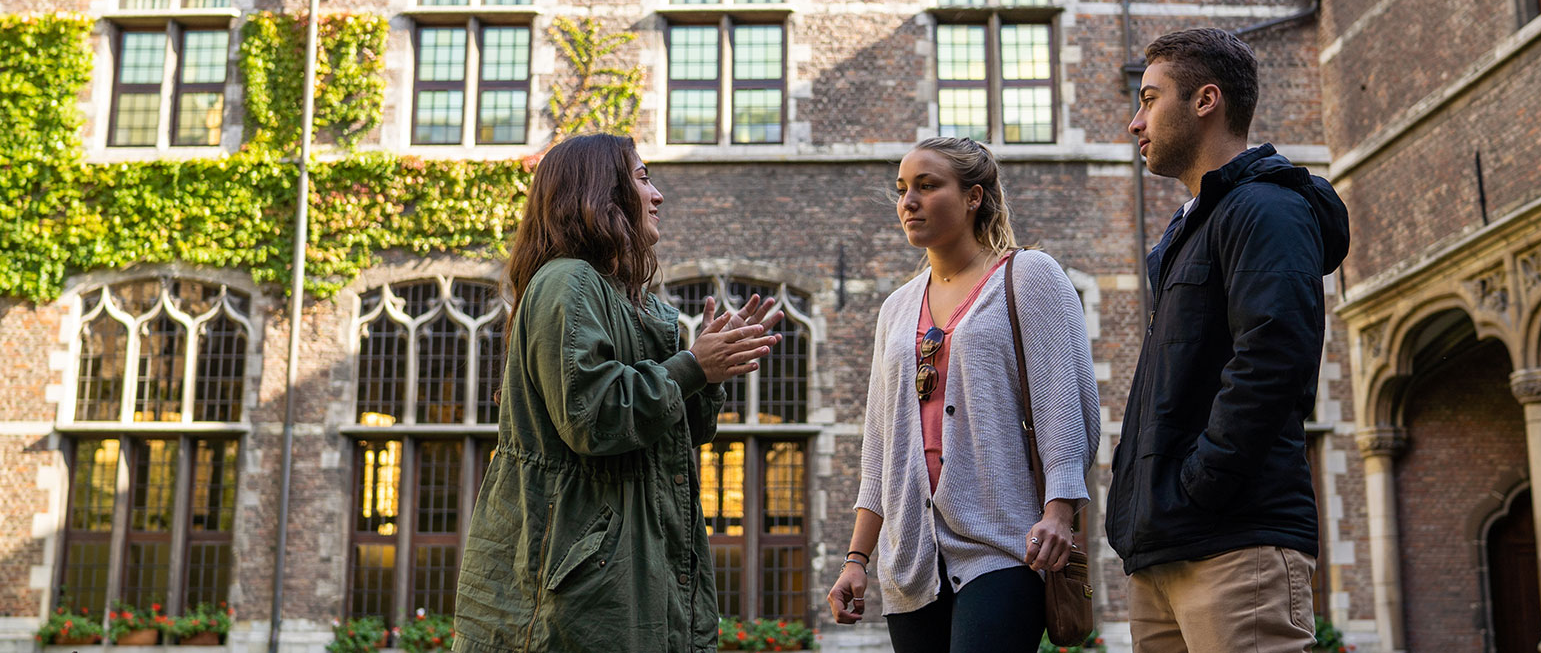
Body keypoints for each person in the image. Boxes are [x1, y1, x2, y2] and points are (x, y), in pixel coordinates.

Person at [452, 133, 783, 652]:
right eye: (643, 177)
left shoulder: (635, 304)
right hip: (584, 590)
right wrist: (693, 365)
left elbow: (674, 435)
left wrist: (707, 370)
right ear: (602, 194)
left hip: (635, 572)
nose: (658, 196)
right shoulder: (568, 282)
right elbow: (595, 417)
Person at [1104, 28, 1350, 652]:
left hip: (1236, 542)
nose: (1136, 122)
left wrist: (1202, 483)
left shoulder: (1266, 208)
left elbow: (1273, 356)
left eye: (1149, 99)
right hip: (1168, 548)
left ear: (1205, 100)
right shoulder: (1195, 226)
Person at [826, 137, 1102, 652]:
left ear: (974, 196)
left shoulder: (1029, 277)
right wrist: (856, 561)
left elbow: (1066, 409)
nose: (908, 201)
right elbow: (879, 450)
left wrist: (1060, 511)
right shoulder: (896, 309)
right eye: (903, 188)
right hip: (910, 560)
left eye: (928, 186)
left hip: (1003, 546)